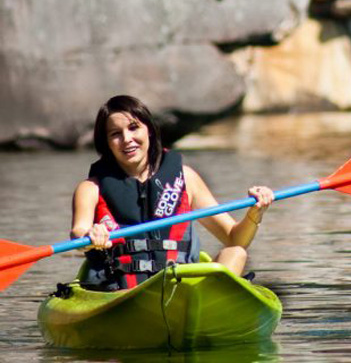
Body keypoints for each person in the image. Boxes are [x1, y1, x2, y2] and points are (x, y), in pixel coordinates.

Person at [70, 94, 273, 290]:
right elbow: (78, 232)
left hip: (181, 288)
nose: (127, 139)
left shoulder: (186, 179)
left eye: (134, 128)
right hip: (123, 293)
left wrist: (255, 213)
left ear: (148, 129)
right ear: (106, 142)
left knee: (236, 253)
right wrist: (90, 235)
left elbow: (234, 237)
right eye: (115, 134)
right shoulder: (91, 189)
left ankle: (207, 304)